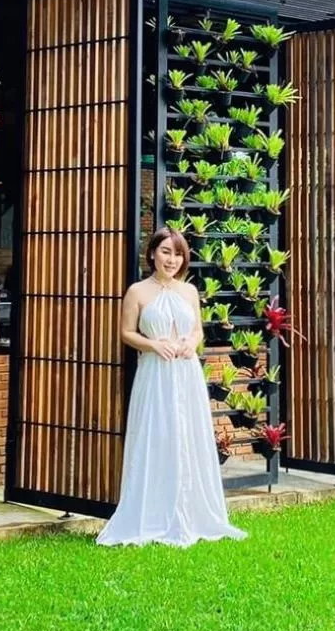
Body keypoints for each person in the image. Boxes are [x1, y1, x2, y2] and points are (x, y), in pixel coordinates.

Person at [96, 227, 246, 548]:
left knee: (187, 433)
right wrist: (153, 345)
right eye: (166, 252)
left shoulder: (189, 291)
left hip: (186, 372)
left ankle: (192, 510)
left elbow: (198, 331)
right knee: (157, 434)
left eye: (178, 254)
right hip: (155, 373)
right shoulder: (137, 291)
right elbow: (126, 333)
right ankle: (152, 510)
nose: (172, 259)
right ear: (152, 253)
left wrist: (191, 343)